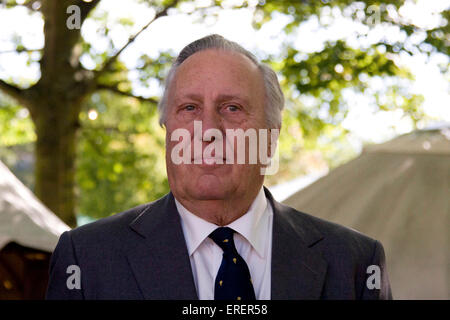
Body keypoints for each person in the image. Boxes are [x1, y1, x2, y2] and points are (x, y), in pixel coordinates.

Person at [46, 34, 392, 300]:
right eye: (189, 108)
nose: (208, 131)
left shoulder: (355, 263)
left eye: (232, 108)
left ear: (270, 138)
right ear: (168, 131)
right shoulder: (87, 259)